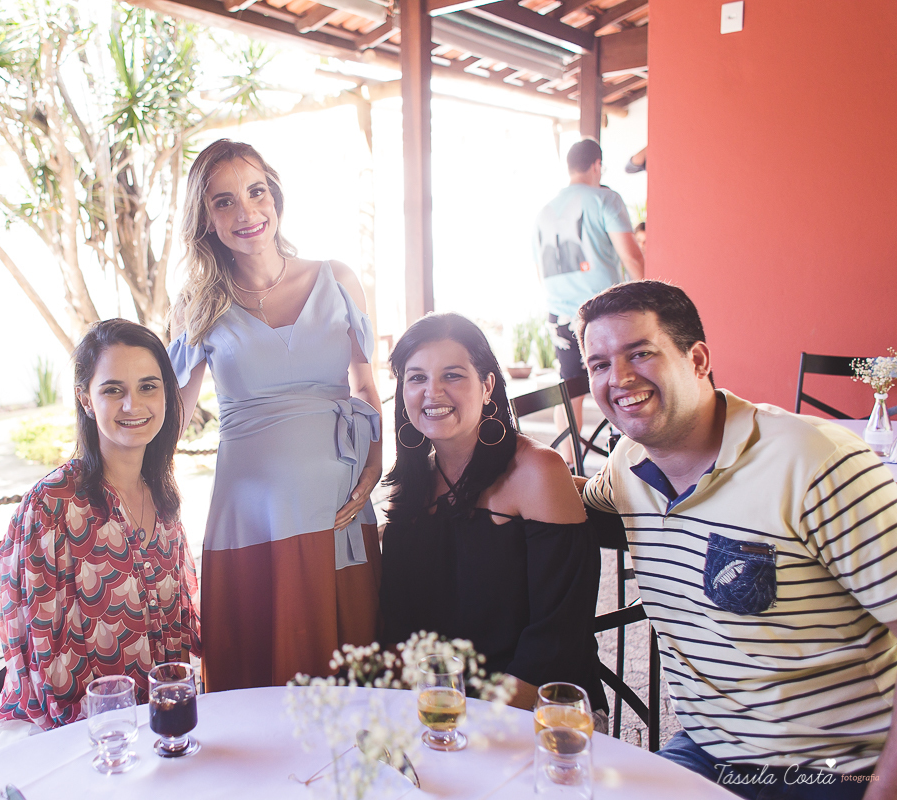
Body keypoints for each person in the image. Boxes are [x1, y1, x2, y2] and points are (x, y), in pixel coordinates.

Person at [577, 280, 897, 799]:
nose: (620, 378)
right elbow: (572, 498)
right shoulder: (627, 466)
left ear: (698, 359)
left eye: (641, 353)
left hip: (840, 765)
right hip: (711, 750)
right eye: (599, 364)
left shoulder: (815, 462)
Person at [168, 139, 383, 692]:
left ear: (275, 197)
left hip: (338, 507)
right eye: (224, 202)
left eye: (256, 192)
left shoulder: (338, 278)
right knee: (258, 674)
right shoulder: (199, 304)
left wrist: (374, 466)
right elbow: (173, 415)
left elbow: (365, 385)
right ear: (205, 219)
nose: (246, 213)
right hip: (251, 515)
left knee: (349, 671)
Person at [379, 313, 608, 723]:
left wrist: (480, 724)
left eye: (452, 375)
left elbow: (558, 635)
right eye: (416, 378)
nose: (432, 392)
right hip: (444, 706)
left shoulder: (539, 471)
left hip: (540, 710)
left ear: (486, 386)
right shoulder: (412, 486)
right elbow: (399, 624)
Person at [0, 319, 201, 747]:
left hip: (153, 726)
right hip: (66, 737)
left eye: (148, 386)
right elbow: (41, 659)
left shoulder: (162, 499)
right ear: (85, 399)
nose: (133, 405)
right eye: (112, 390)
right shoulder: (50, 508)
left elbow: (180, 632)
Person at [534, 138, 645, 443]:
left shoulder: (543, 213)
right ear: (597, 166)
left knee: (569, 389)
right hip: (604, 314)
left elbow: (539, 271)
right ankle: (619, 458)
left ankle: (569, 469)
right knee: (620, 382)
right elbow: (631, 257)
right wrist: (649, 301)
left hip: (560, 315)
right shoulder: (604, 200)